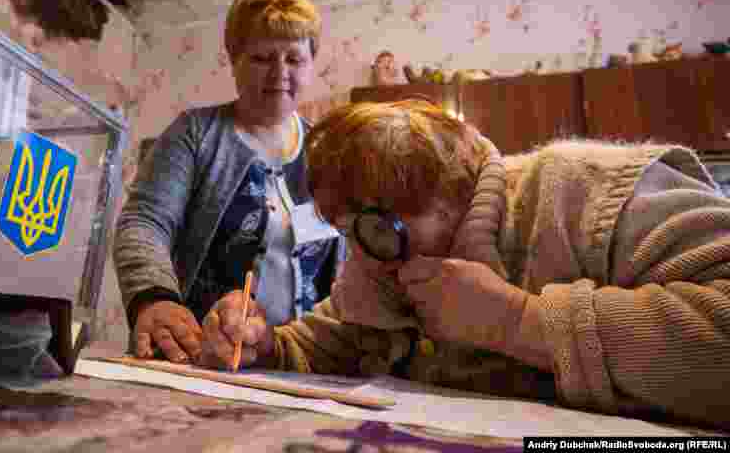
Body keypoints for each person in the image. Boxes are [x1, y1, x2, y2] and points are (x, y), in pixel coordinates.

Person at [199, 99, 730, 430]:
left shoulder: (580, 191)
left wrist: (516, 321)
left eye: (380, 227)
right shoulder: (379, 260)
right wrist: (266, 343)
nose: (361, 258)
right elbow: (335, 342)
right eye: (347, 230)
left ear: (459, 192)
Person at [113, 0, 345, 364]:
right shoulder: (195, 132)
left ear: (310, 65)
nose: (279, 73)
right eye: (261, 58)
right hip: (197, 356)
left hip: (301, 363)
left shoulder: (331, 150)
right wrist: (153, 296)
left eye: (294, 59)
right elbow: (144, 222)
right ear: (234, 60)